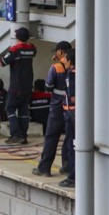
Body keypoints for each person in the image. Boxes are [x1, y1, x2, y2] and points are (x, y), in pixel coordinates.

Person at [0, 27, 37, 144]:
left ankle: (16, 134)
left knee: (10, 109)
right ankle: (23, 136)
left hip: (16, 86)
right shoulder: (32, 48)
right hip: (28, 85)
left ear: (17, 37)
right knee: (23, 111)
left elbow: (2, 63)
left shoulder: (14, 50)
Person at [33, 40, 71, 178]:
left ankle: (44, 168)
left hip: (57, 107)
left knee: (51, 137)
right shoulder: (75, 65)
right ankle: (67, 167)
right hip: (71, 108)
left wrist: (55, 63)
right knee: (69, 137)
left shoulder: (55, 68)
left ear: (60, 52)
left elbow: (48, 86)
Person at [59, 49, 75, 188]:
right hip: (74, 114)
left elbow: (73, 97)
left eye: (65, 59)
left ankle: (72, 177)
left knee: (71, 145)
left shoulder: (71, 75)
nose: (63, 61)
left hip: (72, 115)